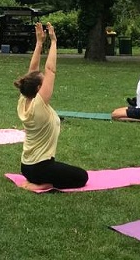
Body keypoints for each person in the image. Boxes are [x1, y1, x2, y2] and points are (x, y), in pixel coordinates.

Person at [15, 23, 88, 191]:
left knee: (66, 170)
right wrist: (54, 42)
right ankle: (36, 186)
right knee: (83, 176)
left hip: (26, 166)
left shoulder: (24, 99)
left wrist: (39, 43)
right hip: (41, 169)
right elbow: (50, 70)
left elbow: (32, 71)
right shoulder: (39, 105)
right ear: (39, 89)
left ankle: (35, 182)